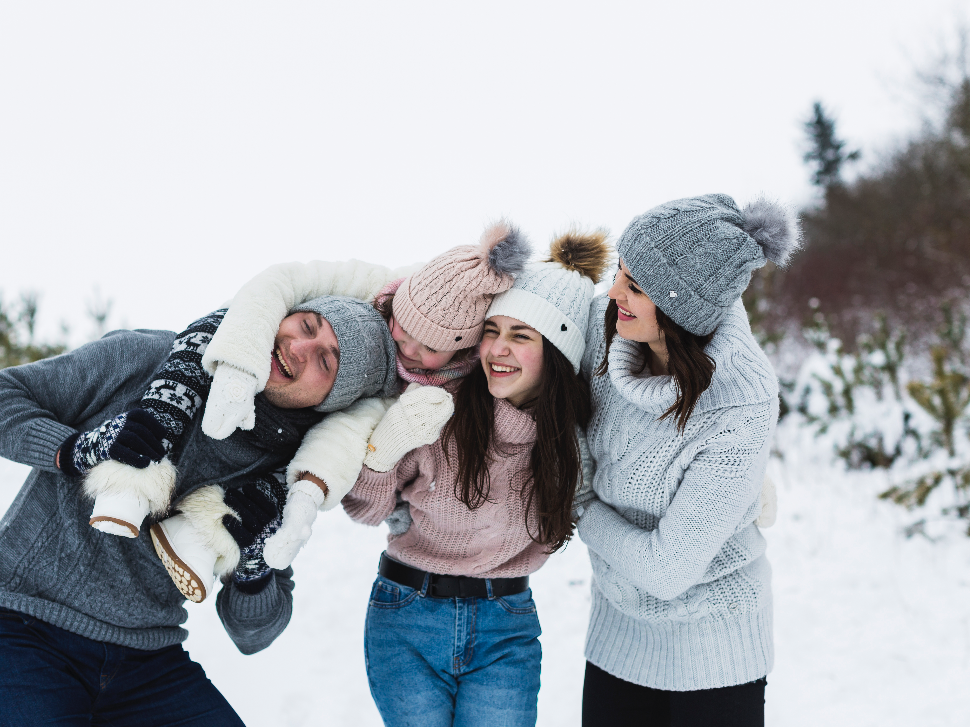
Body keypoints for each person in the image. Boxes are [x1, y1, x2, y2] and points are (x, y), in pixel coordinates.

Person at [0, 296, 396, 727]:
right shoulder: (153, 360)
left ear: (334, 400)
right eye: (306, 326)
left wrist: (254, 561)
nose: (298, 349)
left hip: (146, 662)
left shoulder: (294, 474)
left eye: (326, 361)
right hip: (18, 627)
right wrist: (76, 450)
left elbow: (254, 634)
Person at [140, 222, 531, 596]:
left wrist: (319, 494)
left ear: (460, 349)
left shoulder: (442, 385)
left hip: (317, 413)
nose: (407, 351)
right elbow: (280, 282)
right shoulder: (371, 284)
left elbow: (354, 429)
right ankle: (138, 465)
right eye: (404, 329)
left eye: (429, 349)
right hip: (245, 349)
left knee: (280, 484)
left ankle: (209, 537)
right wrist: (239, 364)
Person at [342, 232, 610, 727]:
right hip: (406, 616)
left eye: (522, 336)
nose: (498, 349)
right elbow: (364, 509)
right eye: (493, 329)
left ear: (555, 353)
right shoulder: (439, 408)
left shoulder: (571, 443)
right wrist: (383, 453)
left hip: (504, 627)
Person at [576, 194, 799, 727]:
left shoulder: (741, 399)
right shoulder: (610, 328)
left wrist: (580, 509)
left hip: (714, 647)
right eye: (618, 274)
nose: (615, 294)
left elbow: (667, 568)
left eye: (635, 286)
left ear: (683, 307)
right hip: (617, 631)